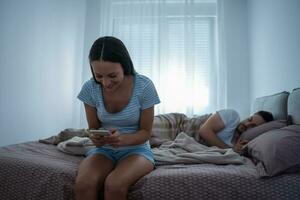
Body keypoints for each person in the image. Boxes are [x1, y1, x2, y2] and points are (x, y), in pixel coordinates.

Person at [75, 36, 160, 200]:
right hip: (104, 150)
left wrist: (124, 139)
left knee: (114, 184)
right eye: (99, 76)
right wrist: (96, 138)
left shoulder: (144, 86)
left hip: (137, 149)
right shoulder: (89, 88)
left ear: (125, 66)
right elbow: (93, 128)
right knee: (84, 184)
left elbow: (145, 132)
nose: (106, 83)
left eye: (112, 75)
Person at [198, 109, 274, 154]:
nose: (247, 124)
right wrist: (229, 149)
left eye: (252, 126)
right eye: (249, 119)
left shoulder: (240, 143)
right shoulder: (233, 116)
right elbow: (203, 131)